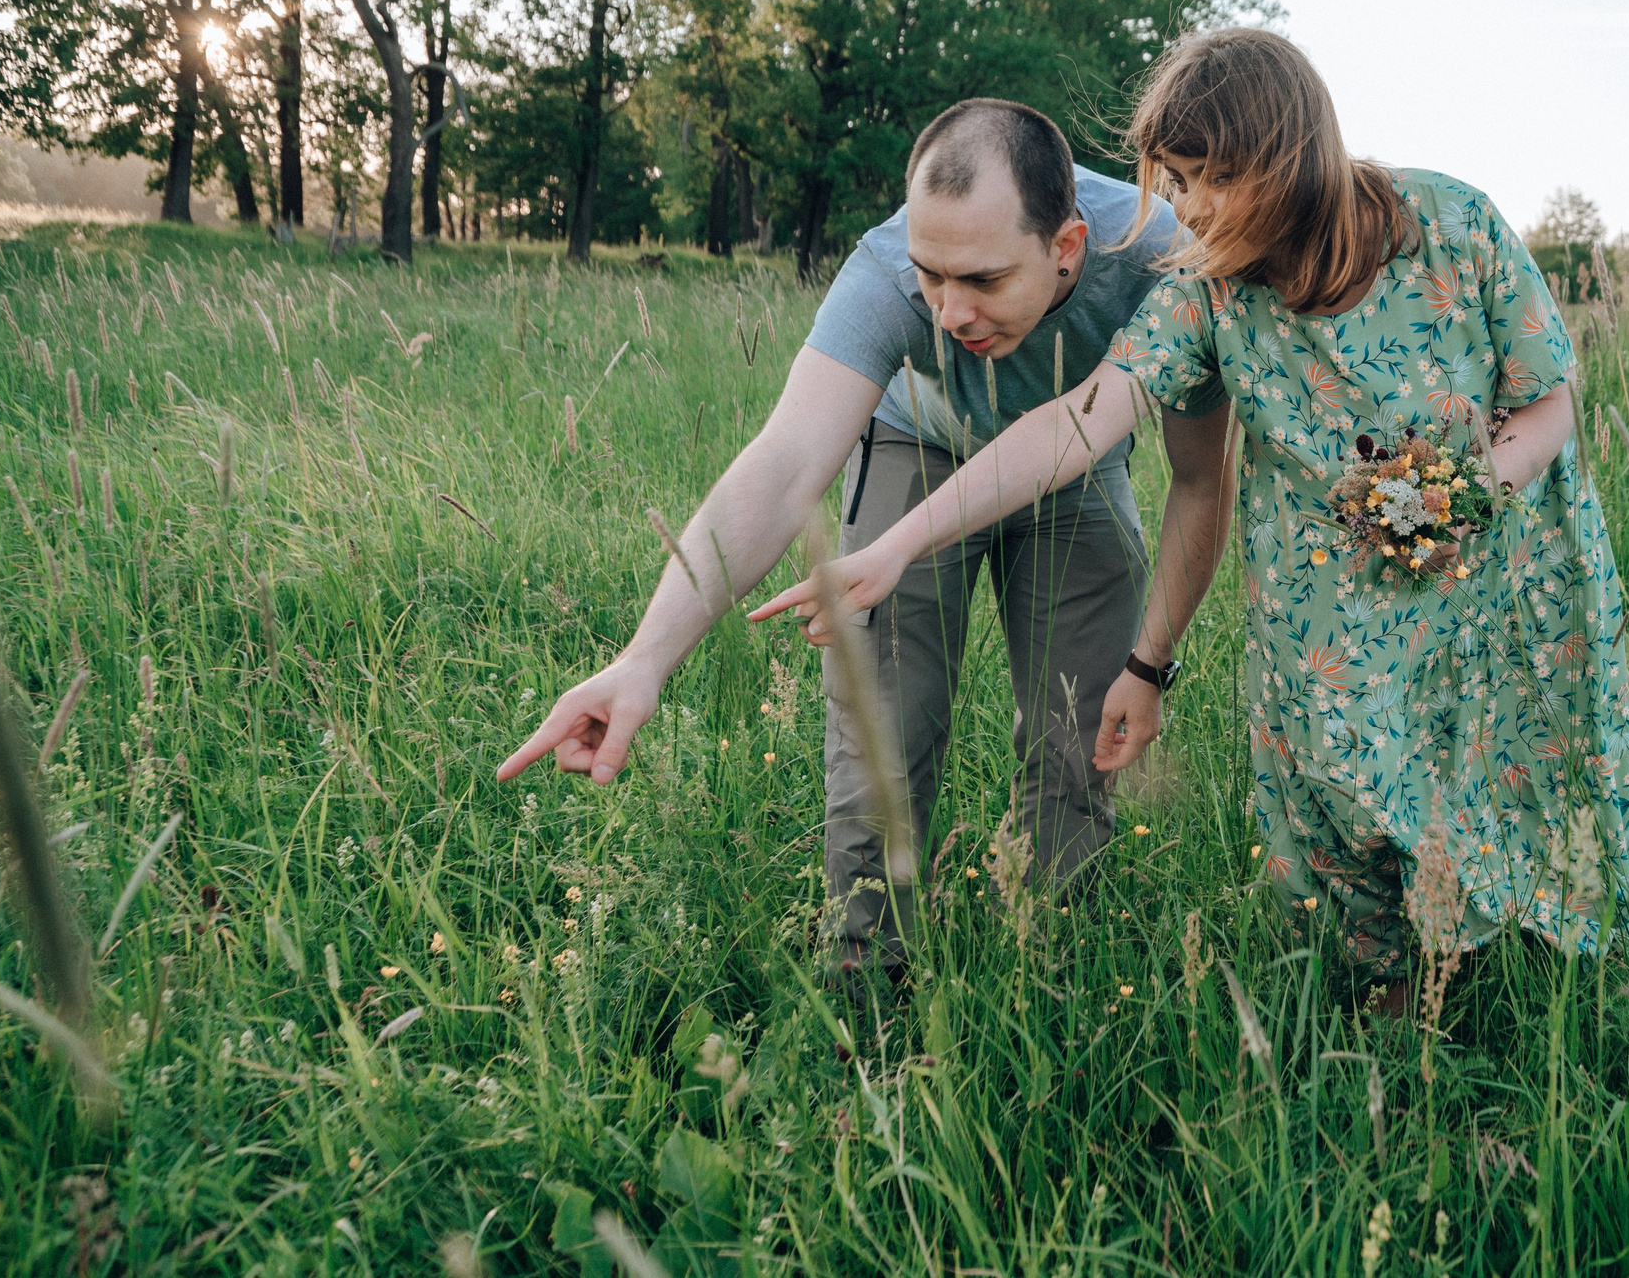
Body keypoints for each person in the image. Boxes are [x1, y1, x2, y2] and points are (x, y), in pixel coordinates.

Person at [769, 30, 1629, 998]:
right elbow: (1079, 418)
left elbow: (1547, 395)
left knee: (1495, 763)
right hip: (1326, 598)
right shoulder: (1206, 286)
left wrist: (1461, 494)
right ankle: (1392, 1004)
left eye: (1202, 177)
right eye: (1169, 175)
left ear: (1281, 158)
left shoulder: (1452, 224)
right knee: (1344, 791)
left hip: (1489, 564)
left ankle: (1508, 977)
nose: (1181, 204)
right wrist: (898, 543)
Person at [498, 97, 1234, 976]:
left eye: (985, 281)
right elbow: (781, 464)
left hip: (1079, 463)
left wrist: (1150, 664)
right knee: (885, 718)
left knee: (1079, 724)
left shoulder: (1161, 259)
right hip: (917, 443)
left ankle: (1051, 963)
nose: (950, 311)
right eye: (933, 276)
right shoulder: (887, 271)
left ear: (1066, 247)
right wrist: (644, 658)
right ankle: (867, 979)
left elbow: (1201, 477)